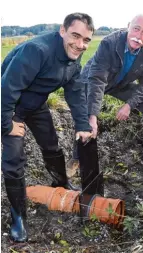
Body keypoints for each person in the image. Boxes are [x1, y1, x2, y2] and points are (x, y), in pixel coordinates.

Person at [1, 13, 94, 242]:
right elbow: (6, 88)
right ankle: (18, 217)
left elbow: (75, 91)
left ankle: (60, 183)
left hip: (36, 103)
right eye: (75, 35)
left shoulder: (75, 56)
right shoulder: (38, 50)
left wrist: (82, 124)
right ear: (62, 31)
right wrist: (6, 124)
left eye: (86, 40)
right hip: (12, 106)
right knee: (13, 161)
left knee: (52, 145)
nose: (80, 44)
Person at [79, 14, 143, 162]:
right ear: (129, 26)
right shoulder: (109, 43)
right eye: (136, 29)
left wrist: (129, 105)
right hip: (92, 81)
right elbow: (97, 79)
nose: (139, 36)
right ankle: (77, 157)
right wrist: (93, 115)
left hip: (119, 84)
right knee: (85, 116)